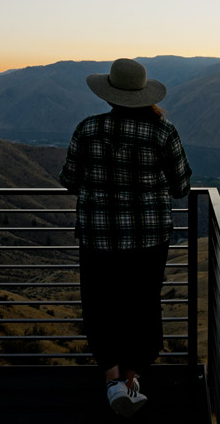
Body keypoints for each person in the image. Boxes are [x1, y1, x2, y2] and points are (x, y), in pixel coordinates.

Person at [58, 58, 192, 418]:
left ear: (109, 94)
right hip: (149, 240)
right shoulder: (163, 132)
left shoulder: (87, 129)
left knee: (101, 306)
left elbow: (69, 179)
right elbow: (181, 186)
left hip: (98, 237)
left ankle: (113, 381)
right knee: (142, 305)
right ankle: (132, 382)